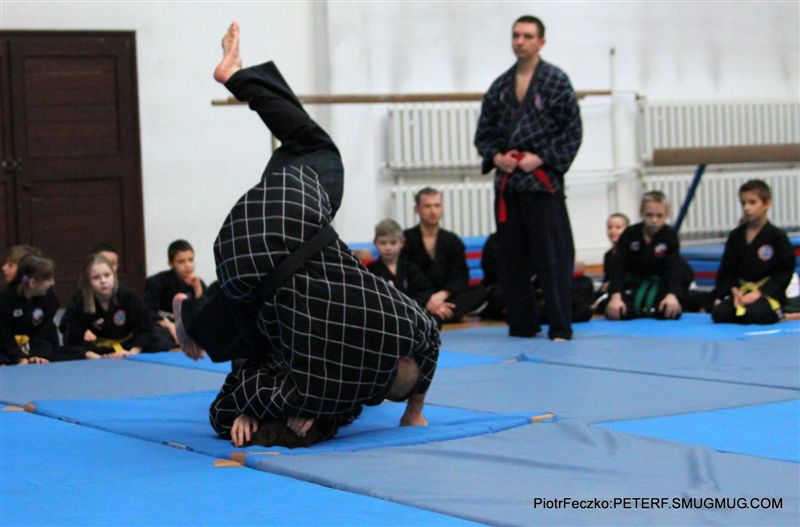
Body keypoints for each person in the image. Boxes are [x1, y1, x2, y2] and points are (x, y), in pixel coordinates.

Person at [173, 22, 440, 449]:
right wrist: (254, 408)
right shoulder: (318, 388)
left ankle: (237, 76)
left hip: (288, 209)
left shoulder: (399, 323)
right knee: (250, 313)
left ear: (400, 357)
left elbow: (430, 342)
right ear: (374, 396)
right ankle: (195, 322)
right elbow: (230, 400)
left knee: (315, 149)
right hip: (239, 258)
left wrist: (415, 412)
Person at [474, 15, 582, 340]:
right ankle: (522, 324)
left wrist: (542, 157)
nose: (520, 41)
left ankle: (560, 325)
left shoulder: (555, 81)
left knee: (553, 258)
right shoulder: (500, 86)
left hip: (541, 185)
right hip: (509, 186)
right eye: (516, 35)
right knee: (512, 259)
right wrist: (497, 157)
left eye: (527, 36)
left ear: (541, 42)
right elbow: (484, 134)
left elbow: (572, 131)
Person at [711, 179, 796, 324]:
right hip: (742, 293)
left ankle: (782, 314)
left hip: (767, 295)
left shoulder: (777, 237)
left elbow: (784, 272)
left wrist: (760, 292)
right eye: (743, 203)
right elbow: (727, 270)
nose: (746, 208)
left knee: (754, 314)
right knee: (720, 313)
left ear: (766, 203)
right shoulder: (736, 236)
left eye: (752, 202)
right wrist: (734, 291)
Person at [402, 188, 487, 324]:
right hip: (418, 297)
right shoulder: (406, 239)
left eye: (437, 205)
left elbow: (460, 277)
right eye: (427, 206)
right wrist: (427, 299)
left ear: (442, 208)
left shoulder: (452, 240)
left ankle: (430, 315)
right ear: (417, 209)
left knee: (480, 291)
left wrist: (441, 296)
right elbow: (405, 275)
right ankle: (445, 315)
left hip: (446, 296)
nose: (433, 211)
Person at [606, 191, 684, 320]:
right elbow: (618, 267)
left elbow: (674, 268)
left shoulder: (669, 235)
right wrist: (615, 296)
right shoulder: (630, 234)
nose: (654, 220)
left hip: (660, 284)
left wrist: (672, 295)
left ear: (667, 215)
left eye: (659, 215)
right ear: (641, 213)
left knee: (669, 311)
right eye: (649, 215)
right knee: (618, 311)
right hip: (634, 283)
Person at [60, 253, 153, 358]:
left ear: (114, 276)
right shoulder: (80, 299)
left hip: (127, 345)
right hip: (96, 348)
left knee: (158, 341)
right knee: (64, 349)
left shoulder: (128, 296)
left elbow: (145, 328)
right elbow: (68, 329)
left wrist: (133, 351)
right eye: (96, 278)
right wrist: (91, 354)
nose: (103, 281)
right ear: (87, 281)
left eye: (107, 275)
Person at [0, 254, 84, 365]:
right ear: (33, 283)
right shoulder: (6, 300)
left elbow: (45, 330)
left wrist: (40, 353)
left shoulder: (47, 297)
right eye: (48, 279)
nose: (53, 283)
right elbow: (4, 335)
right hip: (9, 347)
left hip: (35, 345)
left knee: (77, 352)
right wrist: (18, 357)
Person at [143, 239, 207, 350]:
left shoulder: (198, 282)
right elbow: (147, 312)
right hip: (164, 326)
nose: (188, 265)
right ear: (171, 263)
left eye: (190, 260)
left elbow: (205, 313)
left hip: (187, 327)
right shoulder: (156, 282)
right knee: (157, 339)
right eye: (181, 262)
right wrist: (169, 325)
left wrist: (198, 289)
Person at [367, 219, 433, 308]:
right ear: (375, 243)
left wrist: (410, 305)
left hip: (411, 311)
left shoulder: (410, 268)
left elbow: (425, 291)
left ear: (402, 243)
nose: (388, 247)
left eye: (393, 243)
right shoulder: (370, 271)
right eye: (383, 243)